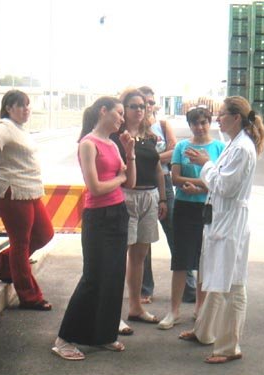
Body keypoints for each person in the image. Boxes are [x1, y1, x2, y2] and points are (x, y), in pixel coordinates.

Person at [178, 96, 264, 364]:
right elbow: (221, 182)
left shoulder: (242, 149)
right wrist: (205, 176)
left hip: (231, 222)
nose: (218, 119)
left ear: (236, 117)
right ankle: (205, 331)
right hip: (221, 218)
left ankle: (230, 347)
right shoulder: (234, 145)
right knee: (217, 278)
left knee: (232, 285)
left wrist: (205, 163)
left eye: (222, 114)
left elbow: (226, 187)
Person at [52, 96, 136, 360]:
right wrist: (120, 177)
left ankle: (104, 335)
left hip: (118, 213)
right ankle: (64, 339)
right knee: (93, 278)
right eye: (119, 113)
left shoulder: (113, 143)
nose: (122, 119)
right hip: (98, 217)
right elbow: (96, 187)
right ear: (103, 111)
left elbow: (130, 182)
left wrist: (130, 153)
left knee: (113, 278)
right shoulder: (88, 144)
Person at [157, 106, 225, 330]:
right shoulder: (182, 147)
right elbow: (175, 177)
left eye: (204, 122)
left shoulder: (219, 147)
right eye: (195, 123)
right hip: (184, 208)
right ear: (190, 125)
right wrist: (202, 183)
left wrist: (198, 186)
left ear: (210, 122)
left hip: (207, 208)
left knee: (204, 259)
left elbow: (221, 181)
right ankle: (173, 310)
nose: (200, 127)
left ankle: (199, 308)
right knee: (181, 260)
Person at [137, 85, 197, 304]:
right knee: (143, 241)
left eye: (151, 102)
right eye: (144, 103)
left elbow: (176, 149)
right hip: (142, 186)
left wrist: (152, 158)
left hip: (165, 184)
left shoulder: (162, 125)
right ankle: (145, 289)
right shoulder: (134, 129)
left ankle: (189, 288)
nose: (148, 106)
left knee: (177, 235)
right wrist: (157, 157)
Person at [113, 89, 166, 332]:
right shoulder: (115, 137)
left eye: (142, 106)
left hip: (150, 197)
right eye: (133, 106)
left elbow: (157, 169)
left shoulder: (150, 137)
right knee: (117, 258)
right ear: (123, 109)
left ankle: (135, 307)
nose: (139, 110)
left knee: (139, 257)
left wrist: (163, 198)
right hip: (125, 197)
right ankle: (113, 314)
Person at [0, 90, 55, 311]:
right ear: (8, 108)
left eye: (28, 105)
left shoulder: (20, 129)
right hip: (13, 192)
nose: (26, 109)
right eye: (20, 105)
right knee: (20, 243)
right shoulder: (3, 128)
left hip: (30, 191)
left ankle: (3, 266)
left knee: (44, 234)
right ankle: (30, 296)